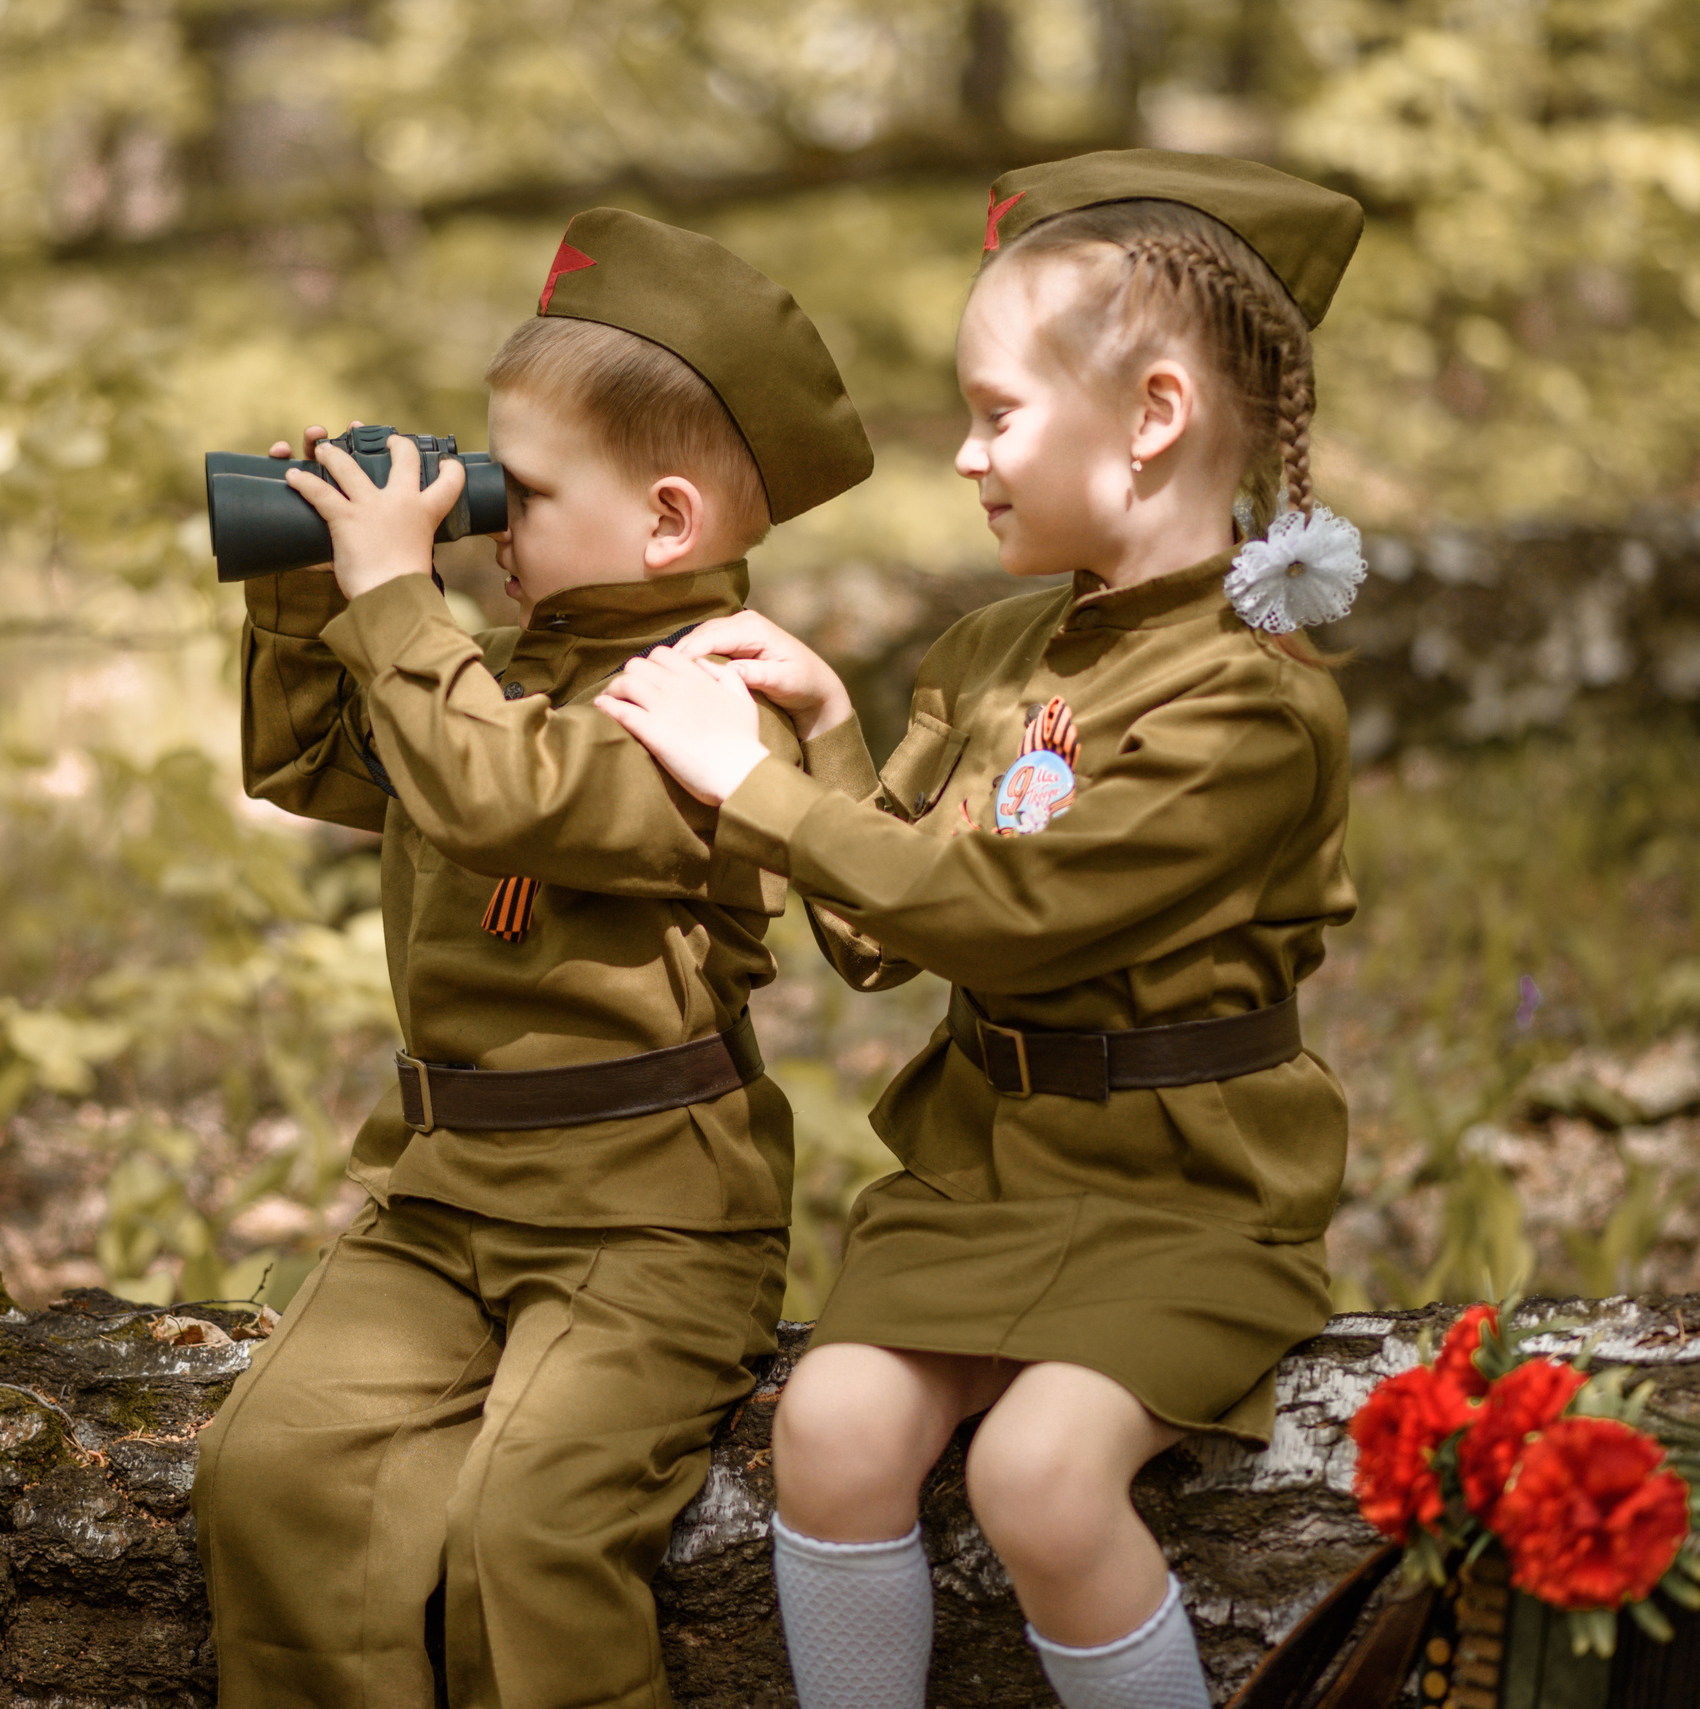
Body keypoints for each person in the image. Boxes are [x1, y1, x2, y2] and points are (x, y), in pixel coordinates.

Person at [594, 151, 1370, 1709]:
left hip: (1186, 1190)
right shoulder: (995, 648)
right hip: (986, 1172)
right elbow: (880, 938)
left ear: (1151, 416)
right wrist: (825, 732)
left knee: (1041, 1475)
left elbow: (1013, 915)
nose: (964, 454)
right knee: (830, 1428)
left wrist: (753, 785)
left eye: (998, 414)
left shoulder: (1251, 702)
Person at [195, 208, 874, 1709]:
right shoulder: (500, 674)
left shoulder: (726, 700)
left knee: (527, 1536)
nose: (487, 522)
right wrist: (309, 584)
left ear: (670, 522)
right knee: (275, 1471)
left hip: (648, 1223)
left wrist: (396, 593)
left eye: (524, 492)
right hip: (446, 1199)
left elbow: (507, 793)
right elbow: (312, 762)